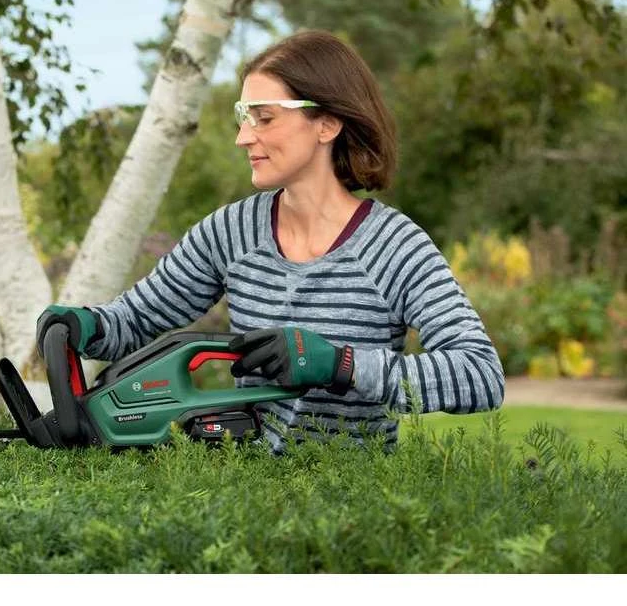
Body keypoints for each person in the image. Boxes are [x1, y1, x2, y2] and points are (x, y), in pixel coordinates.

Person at [36, 30, 504, 451]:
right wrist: (85, 325)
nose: (243, 137)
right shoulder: (232, 231)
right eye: (245, 118)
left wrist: (340, 364)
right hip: (249, 490)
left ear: (327, 124)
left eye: (264, 118)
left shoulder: (394, 247)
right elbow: (137, 319)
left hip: (354, 495)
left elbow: (480, 374)